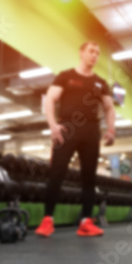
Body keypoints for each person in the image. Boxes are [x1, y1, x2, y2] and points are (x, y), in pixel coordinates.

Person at [35, 41, 116, 238]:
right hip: (67, 128)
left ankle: (86, 222)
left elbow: (109, 107)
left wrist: (111, 130)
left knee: (89, 178)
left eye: (97, 52)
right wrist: (53, 125)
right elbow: (50, 99)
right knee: (57, 173)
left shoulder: (101, 82)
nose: (94, 55)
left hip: (90, 130)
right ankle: (47, 220)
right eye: (91, 51)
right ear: (81, 53)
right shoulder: (66, 76)